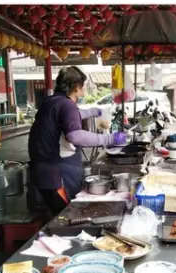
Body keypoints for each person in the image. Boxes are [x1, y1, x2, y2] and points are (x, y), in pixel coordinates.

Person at [28, 67, 125, 216]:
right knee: (66, 216)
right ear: (76, 87)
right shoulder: (67, 105)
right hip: (58, 175)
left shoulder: (50, 102)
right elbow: (75, 136)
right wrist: (109, 139)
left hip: (41, 172)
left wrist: (93, 111)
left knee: (54, 216)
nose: (84, 89)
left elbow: (72, 114)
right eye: (83, 85)